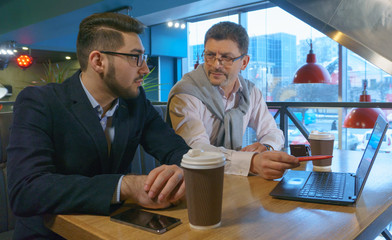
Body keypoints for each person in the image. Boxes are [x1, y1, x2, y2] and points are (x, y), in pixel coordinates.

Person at [7, 12, 190, 239]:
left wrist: (179, 172)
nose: (145, 69)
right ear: (98, 61)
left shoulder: (136, 103)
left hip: (116, 230)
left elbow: (177, 151)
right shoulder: (40, 102)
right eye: (136, 57)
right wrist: (125, 186)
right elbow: (26, 191)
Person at [167, 21, 299, 180]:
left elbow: (272, 131)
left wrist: (266, 147)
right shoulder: (185, 93)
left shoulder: (250, 92)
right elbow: (196, 149)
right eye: (210, 55)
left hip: (235, 180)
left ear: (244, 62)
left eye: (226, 58)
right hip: (190, 181)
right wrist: (251, 162)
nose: (216, 65)